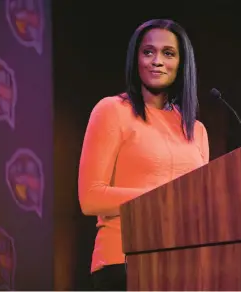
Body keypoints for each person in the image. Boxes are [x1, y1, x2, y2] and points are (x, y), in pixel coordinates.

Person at [78, 19, 210, 291]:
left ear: (182, 64)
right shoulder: (112, 110)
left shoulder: (196, 130)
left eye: (168, 53)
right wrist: (166, 198)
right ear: (135, 60)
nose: (157, 61)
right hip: (124, 264)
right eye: (148, 52)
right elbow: (90, 197)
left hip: (187, 269)